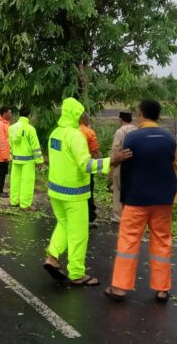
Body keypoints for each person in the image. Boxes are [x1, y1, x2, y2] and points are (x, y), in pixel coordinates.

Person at [43, 98, 132, 286]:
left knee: (63, 225)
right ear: (75, 114)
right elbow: (87, 165)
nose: (84, 115)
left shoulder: (55, 133)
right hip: (74, 194)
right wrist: (111, 161)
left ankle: (52, 257)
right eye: (81, 112)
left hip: (55, 190)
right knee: (79, 233)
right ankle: (76, 273)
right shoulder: (75, 136)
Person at [105, 100, 177, 303]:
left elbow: (126, 171)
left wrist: (123, 198)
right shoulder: (169, 138)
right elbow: (175, 168)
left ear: (139, 113)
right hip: (163, 200)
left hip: (136, 200)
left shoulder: (132, 138)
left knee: (129, 241)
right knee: (162, 242)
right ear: (158, 115)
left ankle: (119, 288)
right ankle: (162, 289)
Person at [9, 107, 43, 210]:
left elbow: (10, 144)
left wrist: (11, 157)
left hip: (16, 159)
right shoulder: (30, 129)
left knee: (15, 181)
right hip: (28, 161)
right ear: (29, 115)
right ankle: (25, 204)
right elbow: (35, 147)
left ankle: (14, 201)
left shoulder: (12, 128)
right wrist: (39, 161)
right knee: (27, 182)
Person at [109, 110, 136, 223]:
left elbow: (116, 149)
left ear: (120, 119)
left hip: (121, 163)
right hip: (134, 164)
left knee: (118, 190)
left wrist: (112, 163)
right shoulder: (136, 130)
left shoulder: (120, 131)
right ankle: (132, 215)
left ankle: (118, 216)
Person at [79, 112, 102, 225]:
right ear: (85, 119)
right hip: (87, 167)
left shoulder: (70, 131)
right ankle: (90, 218)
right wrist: (102, 165)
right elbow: (96, 151)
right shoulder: (89, 132)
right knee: (88, 192)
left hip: (73, 168)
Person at [0, 106, 12, 197]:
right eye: (9, 113)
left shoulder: (6, 123)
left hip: (4, 153)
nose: (11, 115)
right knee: (0, 172)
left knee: (3, 172)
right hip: (1, 154)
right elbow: (2, 141)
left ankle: (0, 190)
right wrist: (5, 155)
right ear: (4, 113)